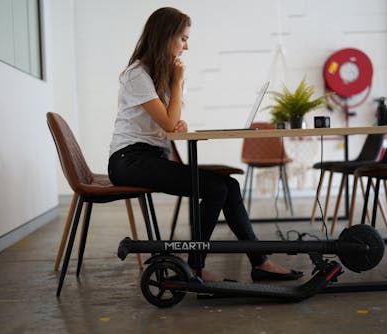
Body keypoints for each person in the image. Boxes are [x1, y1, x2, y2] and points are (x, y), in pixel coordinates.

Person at [108, 7, 302, 282]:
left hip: (152, 157)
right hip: (129, 160)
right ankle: (196, 268)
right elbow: (166, 122)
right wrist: (177, 84)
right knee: (213, 189)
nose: (187, 46)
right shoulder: (137, 74)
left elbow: (171, 122)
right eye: (183, 38)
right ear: (166, 36)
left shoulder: (161, 75)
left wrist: (177, 122)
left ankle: (260, 262)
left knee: (228, 186)